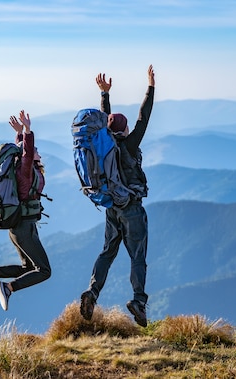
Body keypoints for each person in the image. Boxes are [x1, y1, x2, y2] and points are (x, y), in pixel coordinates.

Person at [80, 65, 155, 327]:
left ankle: (92, 292)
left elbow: (104, 120)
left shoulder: (106, 147)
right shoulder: (130, 145)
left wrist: (104, 95)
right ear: (124, 130)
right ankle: (138, 301)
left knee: (107, 253)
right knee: (137, 256)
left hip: (112, 207)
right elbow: (143, 118)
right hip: (132, 209)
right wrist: (151, 87)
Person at [0, 110, 51, 311]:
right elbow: (25, 152)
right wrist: (27, 130)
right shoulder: (26, 172)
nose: (38, 152)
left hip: (18, 229)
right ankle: (8, 287)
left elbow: (21, 153)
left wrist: (19, 133)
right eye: (36, 151)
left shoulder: (21, 171)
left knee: (28, 268)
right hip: (24, 229)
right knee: (44, 271)